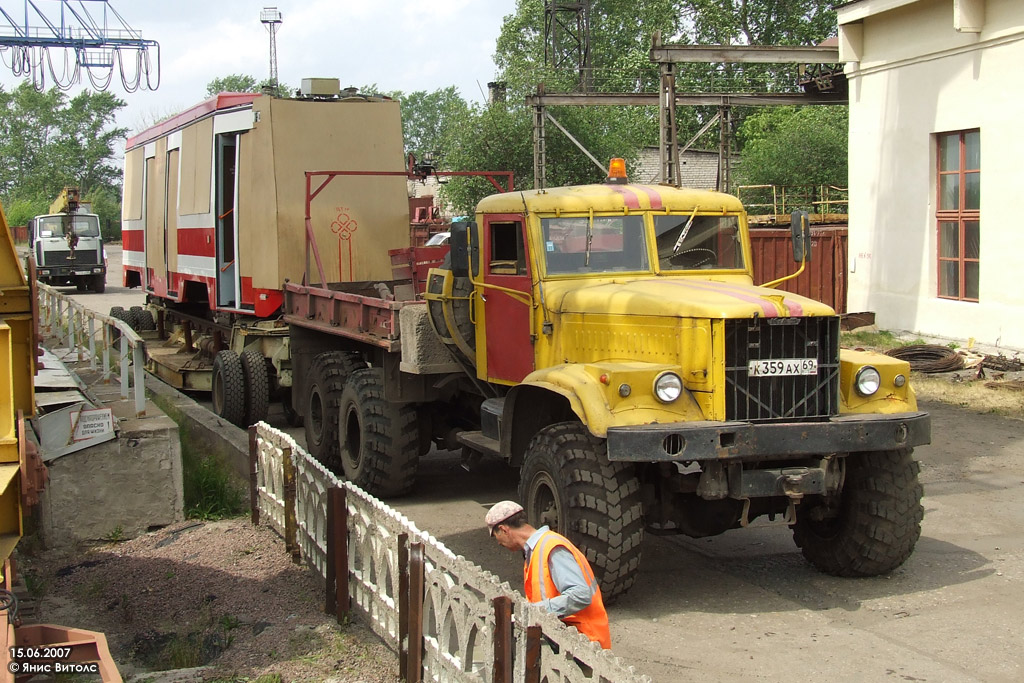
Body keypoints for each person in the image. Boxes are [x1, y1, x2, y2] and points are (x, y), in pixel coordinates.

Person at [485, 500, 611, 649]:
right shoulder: (535, 551)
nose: (498, 543)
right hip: (566, 640)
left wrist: (536, 611)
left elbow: (581, 594)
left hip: (584, 643)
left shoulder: (552, 548)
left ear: (504, 529)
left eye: (496, 536)